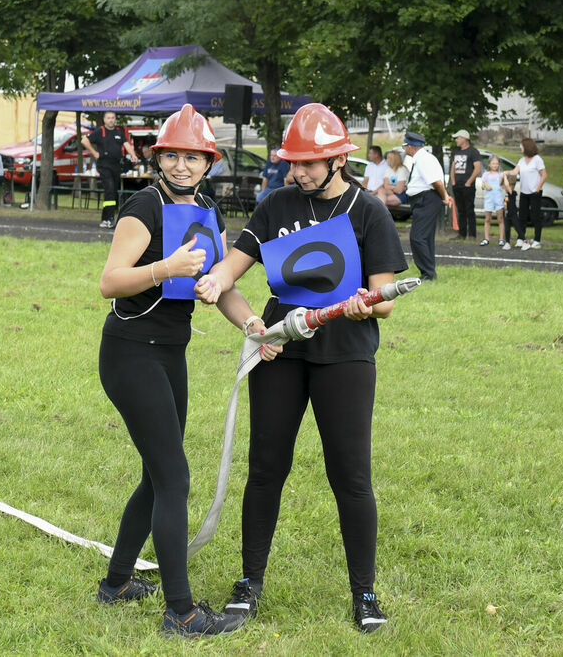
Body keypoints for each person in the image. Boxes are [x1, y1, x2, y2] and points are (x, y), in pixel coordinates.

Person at [195, 103, 406, 634]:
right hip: (279, 349)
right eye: (294, 163)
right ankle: (248, 583)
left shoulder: (368, 211)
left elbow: (385, 299)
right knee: (266, 467)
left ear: (339, 159)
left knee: (350, 475)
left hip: (346, 353)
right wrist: (216, 283)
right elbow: (234, 264)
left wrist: (368, 302)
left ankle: (365, 593)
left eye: (310, 163)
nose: (299, 172)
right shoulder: (275, 205)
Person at [97, 104, 261, 638]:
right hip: (130, 353)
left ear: (208, 162)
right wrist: (166, 268)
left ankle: (118, 583)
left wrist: (251, 324)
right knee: (175, 477)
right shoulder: (143, 206)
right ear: (158, 157)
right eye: (173, 155)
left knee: (157, 472)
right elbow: (111, 281)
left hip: (171, 353)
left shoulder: (205, 211)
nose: (183, 165)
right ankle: (182, 613)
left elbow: (221, 286)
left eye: (193, 156)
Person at [404, 131, 451, 281]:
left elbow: (436, 182)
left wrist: (445, 197)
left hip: (426, 199)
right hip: (424, 200)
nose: (405, 149)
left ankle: (428, 274)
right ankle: (429, 273)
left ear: (411, 147)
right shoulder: (423, 158)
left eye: (405, 146)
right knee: (425, 237)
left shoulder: (423, 159)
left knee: (418, 238)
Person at [81, 111, 138, 229]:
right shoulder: (99, 131)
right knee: (110, 190)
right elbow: (84, 140)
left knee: (114, 192)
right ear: (104, 119)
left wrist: (133, 154)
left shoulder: (119, 132)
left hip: (116, 165)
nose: (111, 120)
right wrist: (94, 153)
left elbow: (126, 144)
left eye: (113, 118)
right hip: (104, 165)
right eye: (108, 118)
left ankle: (110, 217)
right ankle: (107, 219)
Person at [503, 138, 547, 251]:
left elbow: (544, 175)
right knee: (522, 216)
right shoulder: (522, 160)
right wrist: (505, 172)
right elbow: (514, 172)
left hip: (535, 192)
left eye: (521, 146)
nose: (520, 148)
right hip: (524, 192)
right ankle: (521, 238)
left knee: (535, 216)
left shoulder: (537, 160)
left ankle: (537, 240)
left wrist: (538, 188)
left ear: (527, 146)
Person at [449, 129, 482, 240]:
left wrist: (469, 181)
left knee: (469, 210)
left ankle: (472, 235)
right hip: (457, 185)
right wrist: (453, 181)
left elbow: (477, 168)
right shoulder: (457, 151)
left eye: (458, 138)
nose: (456, 140)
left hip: (468, 186)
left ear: (464, 138)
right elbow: (453, 167)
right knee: (461, 210)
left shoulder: (473, 152)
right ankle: (462, 234)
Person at [479, 155, 510, 247]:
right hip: (489, 200)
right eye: (493, 163)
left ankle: (501, 239)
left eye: (497, 163)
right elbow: (482, 185)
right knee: (487, 219)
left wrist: (504, 178)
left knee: (500, 219)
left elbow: (505, 186)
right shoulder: (486, 175)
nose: (495, 165)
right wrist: (485, 185)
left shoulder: (501, 175)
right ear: (489, 164)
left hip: (498, 199)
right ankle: (486, 238)